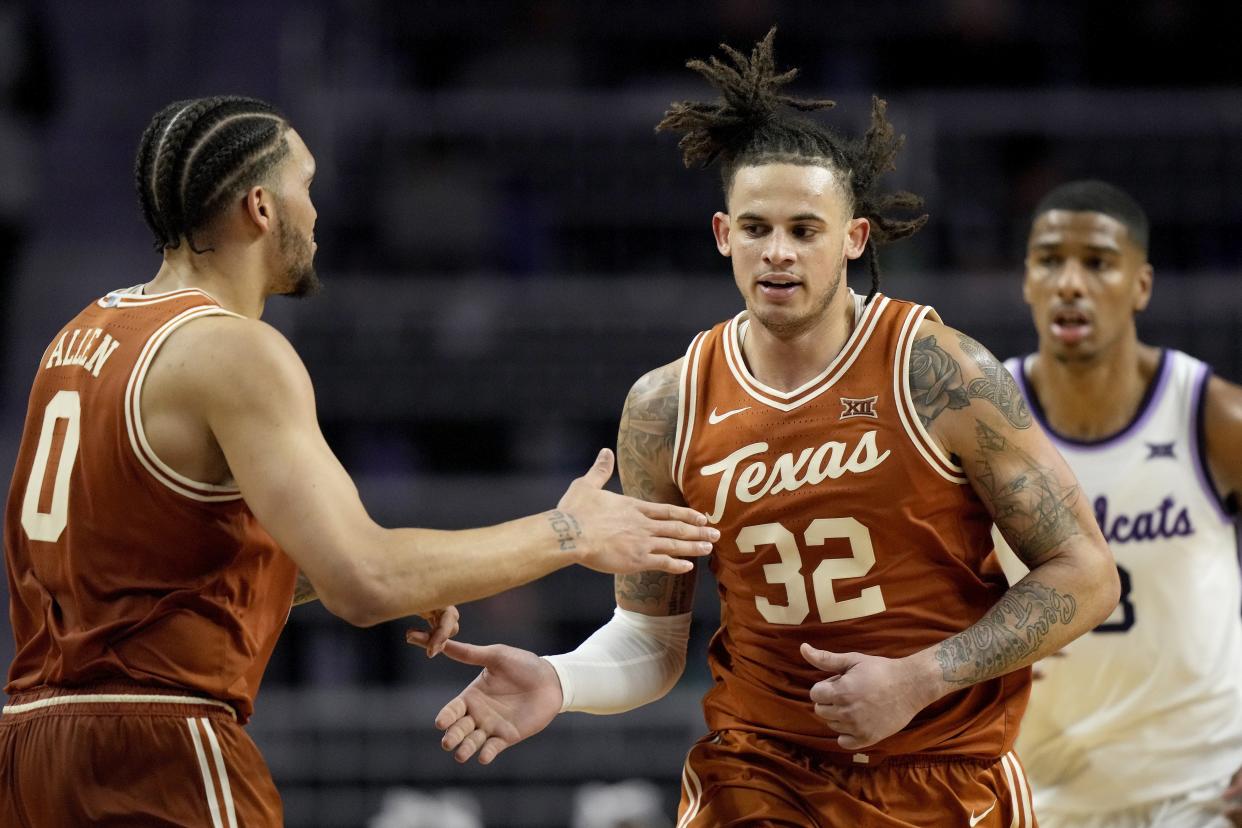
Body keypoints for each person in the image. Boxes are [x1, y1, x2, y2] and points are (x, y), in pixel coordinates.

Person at [410, 30, 1118, 827]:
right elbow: (651, 640)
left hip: (938, 770)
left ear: (853, 240)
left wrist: (922, 677)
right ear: (723, 235)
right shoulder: (667, 405)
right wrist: (561, 679)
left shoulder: (936, 372)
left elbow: (1086, 573)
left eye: (804, 230)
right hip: (758, 771)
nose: (777, 252)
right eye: (756, 228)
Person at [0, 95, 718, 826]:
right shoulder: (234, 350)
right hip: (157, 752)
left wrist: (402, 576)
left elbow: (151, 576)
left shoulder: (79, 336)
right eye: (305, 187)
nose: (317, 214)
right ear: (260, 207)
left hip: (32, 748)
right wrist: (571, 532)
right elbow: (365, 580)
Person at [994, 180, 1242, 828]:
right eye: (1050, 261)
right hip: (1035, 794)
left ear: (1141, 285)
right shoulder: (985, 426)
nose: (1070, 283)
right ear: (1026, 281)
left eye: (1098, 263)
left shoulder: (1211, 415)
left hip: (1202, 792)